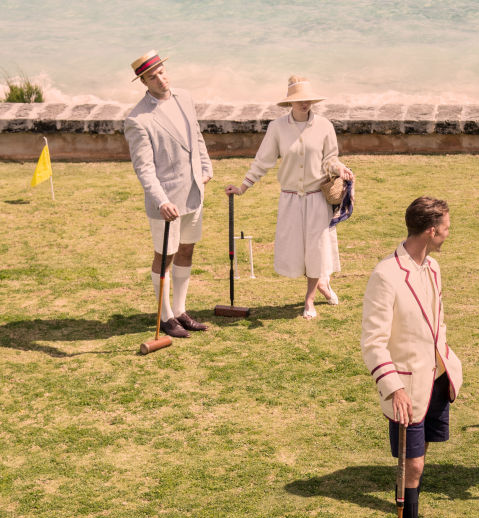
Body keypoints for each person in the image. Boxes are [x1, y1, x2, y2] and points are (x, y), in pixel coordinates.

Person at [361, 196, 463, 518]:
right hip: (405, 386)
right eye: (446, 226)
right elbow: (372, 342)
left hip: (435, 379)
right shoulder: (386, 275)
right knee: (412, 466)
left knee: (420, 461)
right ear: (431, 230)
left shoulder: (433, 267)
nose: (449, 232)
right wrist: (392, 386)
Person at [226, 76, 353, 319]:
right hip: (290, 199)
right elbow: (263, 161)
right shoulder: (277, 128)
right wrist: (243, 187)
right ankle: (323, 283)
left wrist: (340, 169)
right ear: (290, 103)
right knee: (298, 250)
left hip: (317, 198)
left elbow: (330, 158)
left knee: (316, 249)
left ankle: (309, 300)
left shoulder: (325, 125)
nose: (304, 104)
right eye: (298, 100)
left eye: (307, 100)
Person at [124, 50, 213, 340]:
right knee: (165, 256)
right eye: (153, 76)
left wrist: (205, 167)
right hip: (166, 202)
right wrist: (161, 200)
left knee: (187, 249)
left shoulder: (184, 97)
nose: (160, 79)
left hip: (193, 193)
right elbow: (144, 168)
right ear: (143, 82)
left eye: (162, 71)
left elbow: (196, 136)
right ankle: (164, 318)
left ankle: (180, 310)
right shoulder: (138, 119)